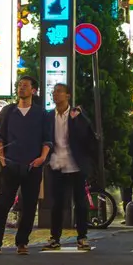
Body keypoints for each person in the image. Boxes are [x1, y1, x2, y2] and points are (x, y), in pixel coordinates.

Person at [0, 75, 49, 255]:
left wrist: (42, 158)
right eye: (19, 85)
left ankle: (22, 243)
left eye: (25, 86)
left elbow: (47, 139)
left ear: (33, 90)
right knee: (3, 204)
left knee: (29, 206)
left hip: (32, 166)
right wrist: (2, 159)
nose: (21, 88)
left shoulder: (41, 113)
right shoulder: (7, 111)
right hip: (10, 166)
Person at [43, 82, 98, 251]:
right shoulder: (49, 116)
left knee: (80, 202)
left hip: (75, 164)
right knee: (57, 202)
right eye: (54, 92)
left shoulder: (76, 114)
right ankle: (55, 237)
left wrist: (78, 118)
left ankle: (82, 237)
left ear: (68, 96)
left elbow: (87, 137)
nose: (55, 95)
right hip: (56, 163)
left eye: (59, 92)